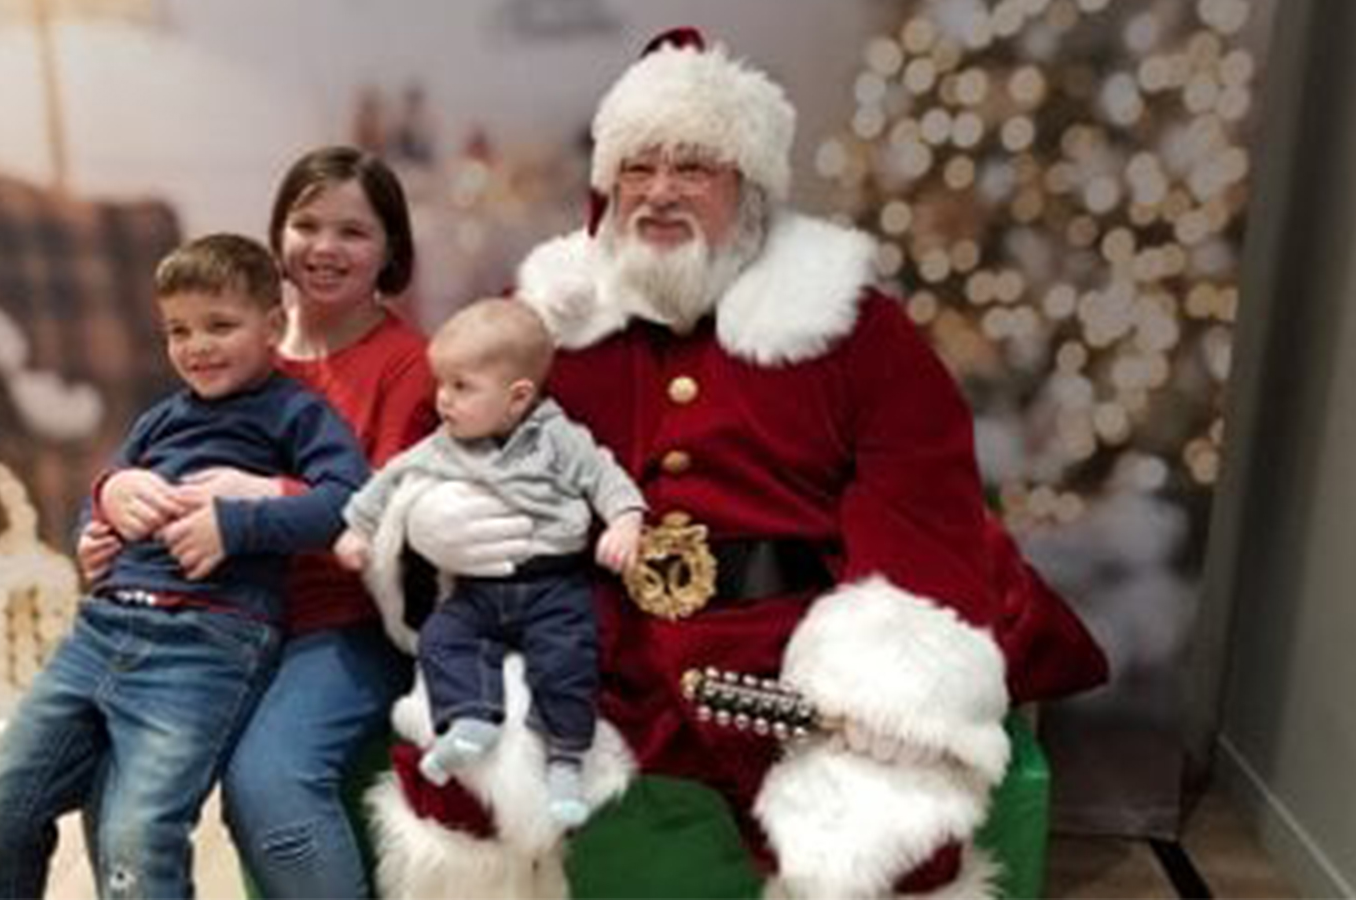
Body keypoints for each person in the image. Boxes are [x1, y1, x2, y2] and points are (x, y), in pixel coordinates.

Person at [365, 30, 1109, 898]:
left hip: (786, 634)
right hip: (592, 634)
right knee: (462, 785)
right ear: (607, 188)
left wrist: (887, 679)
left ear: (749, 190)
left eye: (694, 169)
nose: (661, 192)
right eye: (639, 169)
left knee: (887, 837)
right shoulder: (545, 319)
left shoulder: (854, 327)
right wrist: (424, 520)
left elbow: (917, 499)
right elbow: (436, 431)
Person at [76, 146, 434, 899]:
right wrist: (108, 508)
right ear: (278, 236)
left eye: (354, 232)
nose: (325, 248)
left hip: (340, 623)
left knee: (268, 786)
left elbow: (392, 510)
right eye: (306, 224)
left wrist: (265, 491)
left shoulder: (409, 364)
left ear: (391, 250)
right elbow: (159, 453)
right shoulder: (234, 342)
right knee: (112, 779)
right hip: (210, 615)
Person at [0, 233, 369, 899]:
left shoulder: (300, 413)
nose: (197, 346)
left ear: (273, 326)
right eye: (179, 330)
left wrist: (236, 526)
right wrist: (100, 514)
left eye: (219, 326)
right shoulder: (159, 420)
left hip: (209, 643)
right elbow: (104, 506)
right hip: (101, 631)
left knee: (136, 837)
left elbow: (349, 502)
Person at [333, 298, 645, 829]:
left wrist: (625, 522)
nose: (443, 400)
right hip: (478, 590)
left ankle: (566, 760)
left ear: (518, 397)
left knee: (567, 661)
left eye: (461, 387)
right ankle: (471, 718)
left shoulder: (558, 438)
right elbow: (388, 479)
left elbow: (605, 477)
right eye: (441, 384)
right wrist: (356, 530)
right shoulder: (444, 443)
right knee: (443, 638)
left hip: (552, 586)